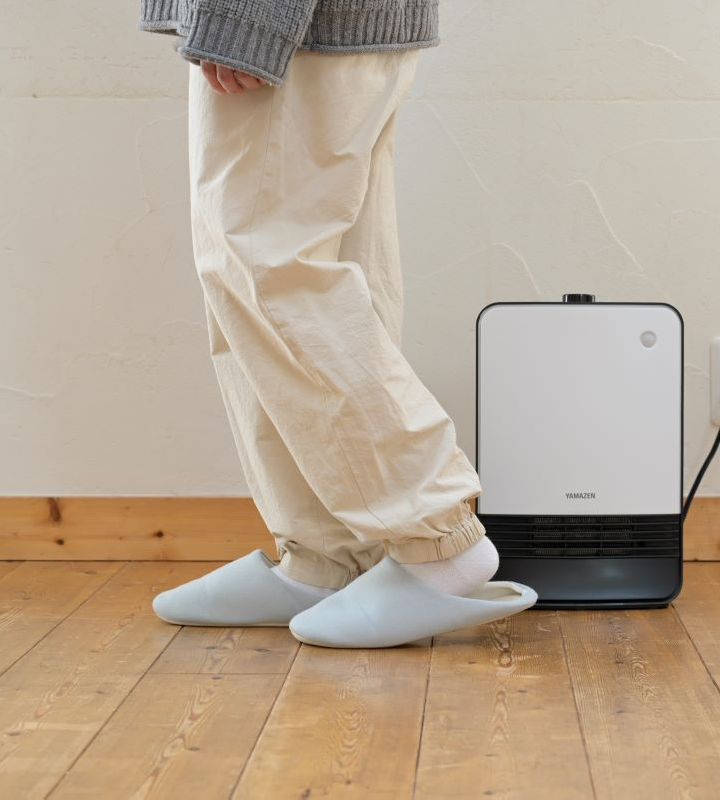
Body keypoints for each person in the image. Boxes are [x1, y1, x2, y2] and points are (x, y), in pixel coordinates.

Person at [135, 0, 536, 648]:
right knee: (297, 274)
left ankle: (437, 539)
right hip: (328, 24)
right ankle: (332, 557)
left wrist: (245, 15)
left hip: (295, 27)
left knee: (267, 265)